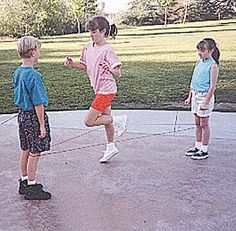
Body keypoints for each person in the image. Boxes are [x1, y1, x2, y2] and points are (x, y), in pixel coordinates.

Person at [64, 16, 128, 163]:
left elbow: (118, 73)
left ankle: (119, 120)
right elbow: (85, 65)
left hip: (107, 90)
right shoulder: (88, 48)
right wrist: (72, 64)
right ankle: (111, 147)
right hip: (98, 89)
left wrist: (110, 69)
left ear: (104, 31)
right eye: (90, 32)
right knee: (105, 120)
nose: (91, 35)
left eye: (94, 32)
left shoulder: (108, 50)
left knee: (89, 121)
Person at [13, 36, 51, 200]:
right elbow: (38, 104)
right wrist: (42, 125)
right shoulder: (34, 76)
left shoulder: (18, 71)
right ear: (33, 52)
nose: (39, 53)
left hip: (22, 116)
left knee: (26, 149)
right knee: (35, 152)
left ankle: (24, 181)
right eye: (39, 50)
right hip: (33, 117)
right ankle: (32, 186)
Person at [185, 38, 220, 160]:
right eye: (199, 50)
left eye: (203, 50)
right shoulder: (198, 63)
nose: (200, 53)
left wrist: (206, 102)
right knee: (197, 123)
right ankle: (197, 145)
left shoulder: (213, 66)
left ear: (211, 50)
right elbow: (193, 80)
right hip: (195, 95)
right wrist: (190, 96)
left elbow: (212, 87)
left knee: (204, 124)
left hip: (204, 96)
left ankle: (204, 149)